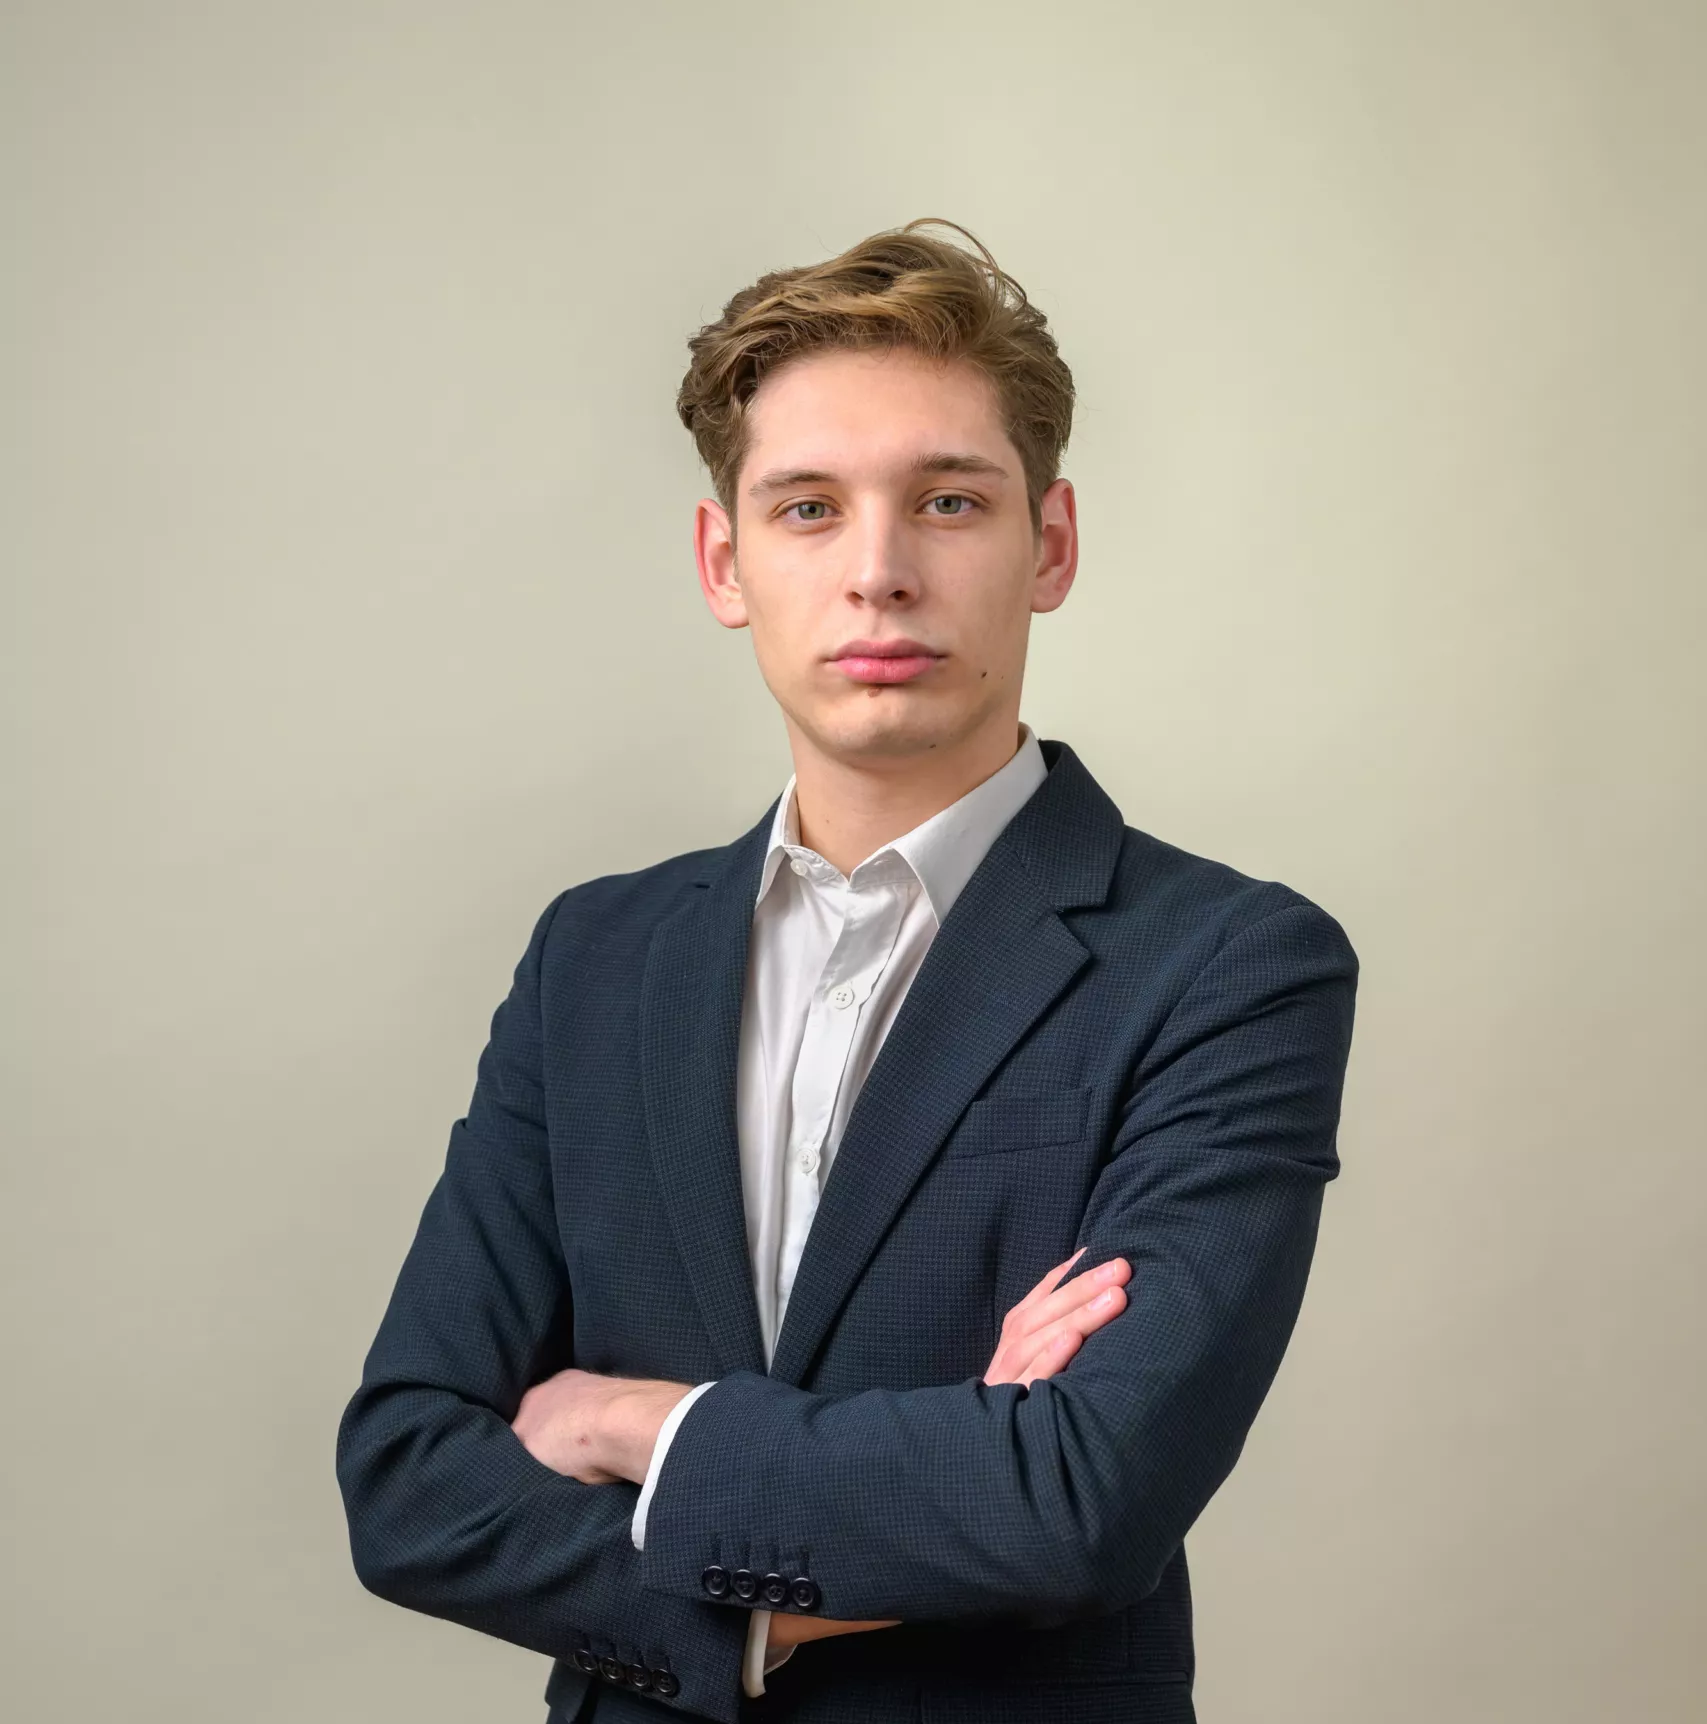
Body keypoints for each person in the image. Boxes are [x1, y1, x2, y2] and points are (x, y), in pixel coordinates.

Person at [335, 218, 1360, 1724]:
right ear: (725, 562)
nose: (878, 572)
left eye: (948, 501)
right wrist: (862, 1547)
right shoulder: (592, 961)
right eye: (807, 508)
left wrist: (633, 1422)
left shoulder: (1226, 966)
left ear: (1050, 546)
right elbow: (409, 1483)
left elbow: (1079, 1502)